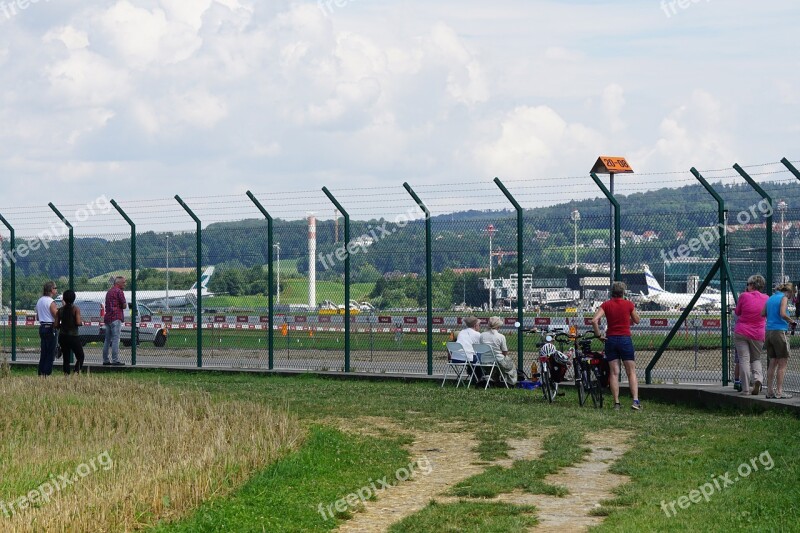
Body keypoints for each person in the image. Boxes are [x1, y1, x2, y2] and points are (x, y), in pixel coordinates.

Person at [592, 281, 641, 410]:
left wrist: (598, 335)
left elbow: (594, 320)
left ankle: (616, 403)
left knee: (614, 373)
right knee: (631, 372)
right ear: (623, 292)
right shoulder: (629, 304)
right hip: (625, 339)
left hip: (611, 339)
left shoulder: (606, 305)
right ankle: (635, 401)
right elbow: (636, 320)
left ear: (611, 292)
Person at [733, 274, 768, 396]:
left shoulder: (744, 296)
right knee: (756, 358)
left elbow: (738, 311)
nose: (747, 286)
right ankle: (758, 379)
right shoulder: (766, 298)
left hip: (742, 330)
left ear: (752, 285)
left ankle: (746, 388)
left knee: (744, 359)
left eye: (748, 284)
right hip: (758, 333)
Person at [762, 282, 796, 399]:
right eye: (793, 294)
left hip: (769, 331)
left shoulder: (771, 298)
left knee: (773, 362)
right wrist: (791, 321)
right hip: (780, 331)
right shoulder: (784, 298)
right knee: (783, 363)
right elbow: (782, 314)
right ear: (790, 292)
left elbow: (763, 313)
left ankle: (770, 391)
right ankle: (780, 392)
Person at [54, 289, 85, 375]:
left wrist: (63, 325)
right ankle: (76, 372)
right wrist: (80, 322)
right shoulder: (75, 309)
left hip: (63, 336)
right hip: (73, 336)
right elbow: (78, 322)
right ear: (74, 298)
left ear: (64, 298)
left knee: (66, 357)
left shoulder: (60, 310)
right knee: (80, 356)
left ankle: (66, 374)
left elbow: (56, 325)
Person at [479, 316, 517, 386]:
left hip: (484, 360)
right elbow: (505, 351)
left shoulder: (482, 335)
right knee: (510, 364)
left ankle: (494, 380)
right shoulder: (500, 336)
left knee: (496, 366)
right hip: (497, 360)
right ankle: (510, 382)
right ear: (498, 326)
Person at [36, 281, 59, 376]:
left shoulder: (40, 301)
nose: (56, 289)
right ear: (51, 290)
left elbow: (37, 317)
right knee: (50, 353)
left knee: (44, 352)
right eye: (55, 288)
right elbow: (56, 315)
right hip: (50, 327)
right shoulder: (51, 302)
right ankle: (46, 373)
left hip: (42, 327)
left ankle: (41, 372)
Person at [103, 276, 127, 366]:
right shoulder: (119, 292)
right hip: (116, 317)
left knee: (107, 340)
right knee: (116, 339)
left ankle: (105, 360)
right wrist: (121, 305)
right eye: (123, 282)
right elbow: (124, 305)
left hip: (108, 317)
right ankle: (115, 360)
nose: (125, 284)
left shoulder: (109, 292)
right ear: (118, 283)